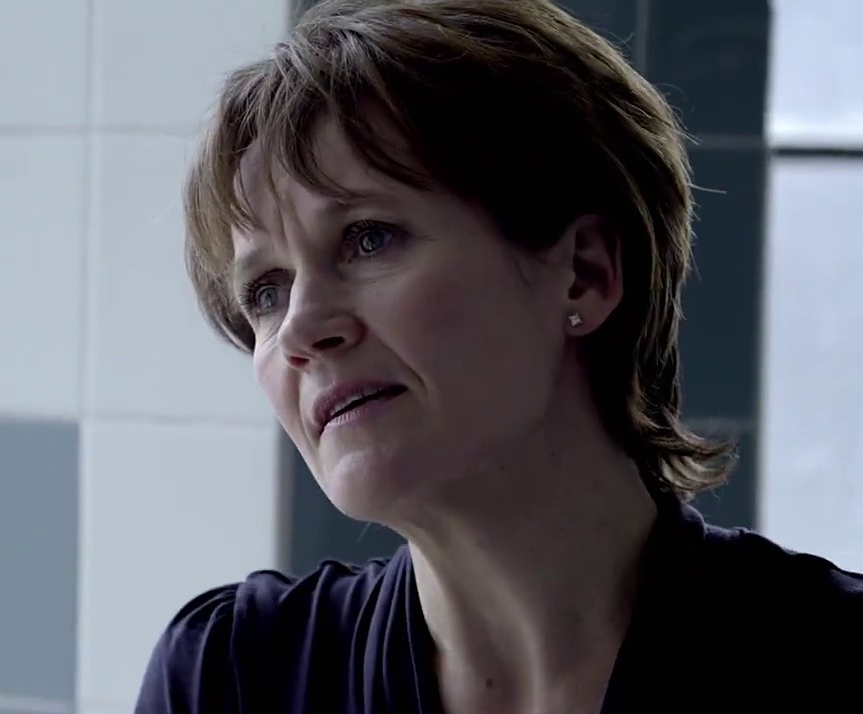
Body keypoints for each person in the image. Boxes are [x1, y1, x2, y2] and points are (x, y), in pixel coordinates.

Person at [135, 0, 863, 712]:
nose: (299, 328)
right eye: (266, 291)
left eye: (368, 238)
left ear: (584, 274)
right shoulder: (232, 678)